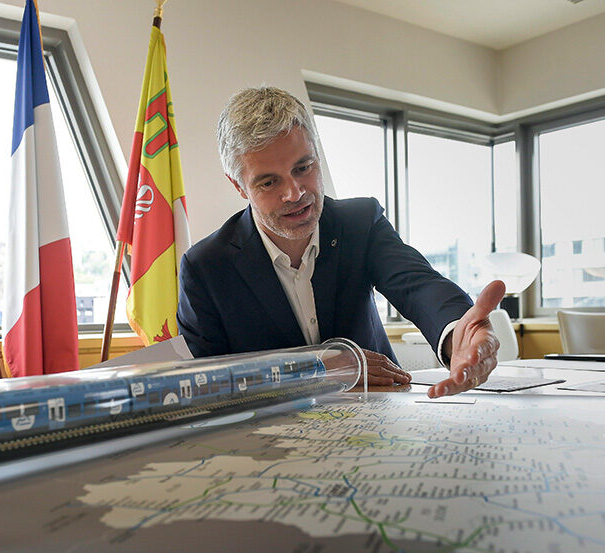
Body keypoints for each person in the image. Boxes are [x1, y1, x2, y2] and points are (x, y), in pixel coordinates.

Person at [177, 86, 503, 398]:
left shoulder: (360, 222)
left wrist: (459, 332)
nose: (295, 193)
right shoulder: (205, 267)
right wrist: (312, 369)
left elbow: (418, 286)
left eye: (303, 167)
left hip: (379, 422)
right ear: (239, 186)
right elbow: (209, 379)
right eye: (268, 182)